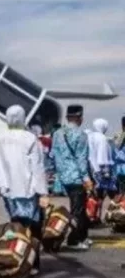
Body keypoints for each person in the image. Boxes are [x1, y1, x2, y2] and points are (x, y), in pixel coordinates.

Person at [0, 105, 48, 277]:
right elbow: (38, 167)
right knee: (33, 227)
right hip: (28, 190)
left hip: (8, 190)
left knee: (16, 224)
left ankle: (16, 257)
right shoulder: (31, 139)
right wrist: (43, 193)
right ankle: (31, 262)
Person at [50, 104, 93, 250]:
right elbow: (82, 159)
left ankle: (82, 236)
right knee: (78, 210)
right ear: (79, 117)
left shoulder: (57, 133)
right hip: (76, 177)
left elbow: (53, 155)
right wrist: (87, 178)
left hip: (61, 177)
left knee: (77, 208)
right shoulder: (81, 135)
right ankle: (73, 240)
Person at [88, 118, 117, 223]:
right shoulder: (102, 138)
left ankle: (94, 216)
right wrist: (106, 171)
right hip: (102, 170)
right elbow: (102, 156)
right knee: (112, 194)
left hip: (92, 169)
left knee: (96, 195)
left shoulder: (90, 136)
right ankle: (113, 216)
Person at [115, 116, 125, 193]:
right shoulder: (121, 135)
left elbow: (116, 146)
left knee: (121, 191)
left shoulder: (117, 134)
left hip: (119, 168)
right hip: (122, 168)